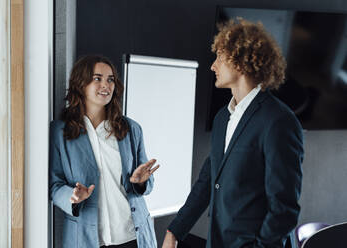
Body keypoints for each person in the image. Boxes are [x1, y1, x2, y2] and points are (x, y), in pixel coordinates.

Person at [162, 18, 304, 248]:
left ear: (240, 60)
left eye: (219, 57)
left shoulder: (279, 121)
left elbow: (284, 207)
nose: (213, 65)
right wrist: (175, 230)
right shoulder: (222, 118)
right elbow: (208, 180)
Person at [49, 55, 159, 248]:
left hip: (133, 236)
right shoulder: (60, 132)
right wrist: (72, 196)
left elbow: (147, 183)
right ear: (81, 83)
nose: (106, 85)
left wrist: (141, 183)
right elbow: (54, 185)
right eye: (97, 78)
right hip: (85, 238)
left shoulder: (131, 129)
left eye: (110, 79)